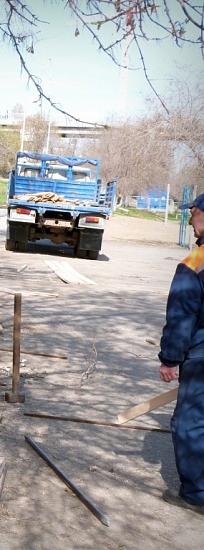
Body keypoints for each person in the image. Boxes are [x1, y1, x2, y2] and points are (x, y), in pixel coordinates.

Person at [158, 193, 204, 514]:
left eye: (195, 213)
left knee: (190, 422)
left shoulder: (195, 264)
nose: (190, 220)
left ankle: (197, 494)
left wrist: (170, 358)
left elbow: (181, 316)